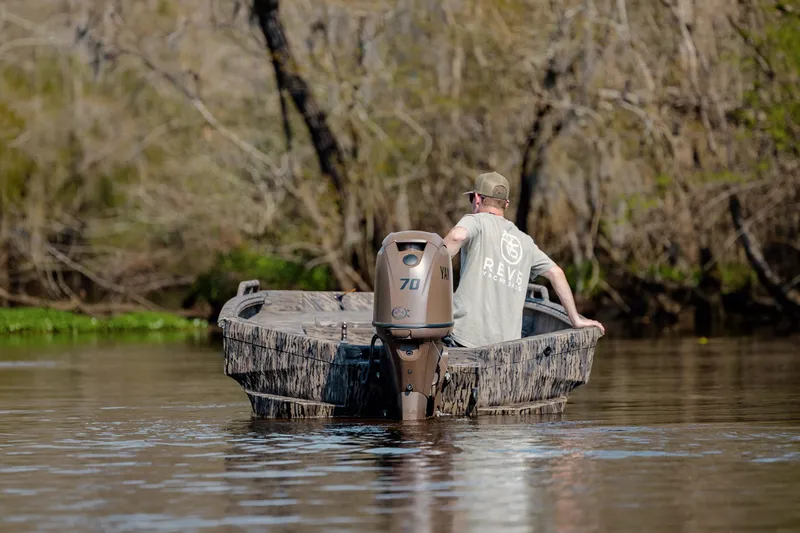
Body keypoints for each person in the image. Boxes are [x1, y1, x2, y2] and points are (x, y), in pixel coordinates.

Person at [442, 171, 604, 348]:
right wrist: (576, 320)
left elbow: (457, 236)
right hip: (506, 347)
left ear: (478, 199)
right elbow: (556, 273)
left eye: (471, 198)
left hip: (463, 339)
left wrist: (433, 262)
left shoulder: (476, 221)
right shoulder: (525, 242)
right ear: (507, 204)